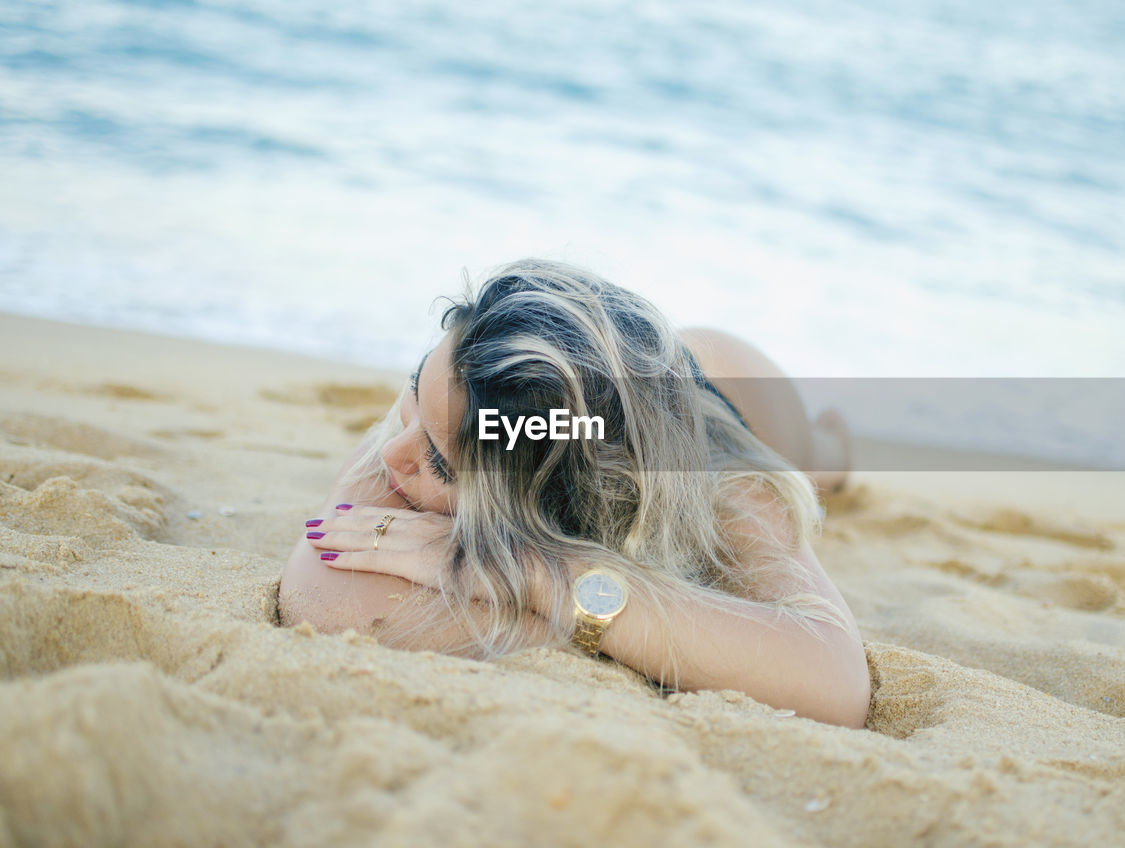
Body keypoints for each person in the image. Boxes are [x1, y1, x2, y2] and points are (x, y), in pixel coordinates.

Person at [279, 259, 869, 729]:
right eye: (414, 384)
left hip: (739, 395)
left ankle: (835, 445)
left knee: (813, 468)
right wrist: (656, 638)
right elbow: (322, 591)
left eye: (437, 460)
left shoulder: (729, 493)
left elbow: (835, 683)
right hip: (618, 380)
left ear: (548, 510)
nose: (390, 453)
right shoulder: (465, 391)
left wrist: (539, 576)